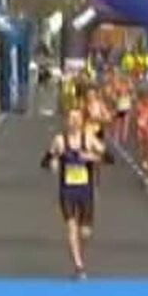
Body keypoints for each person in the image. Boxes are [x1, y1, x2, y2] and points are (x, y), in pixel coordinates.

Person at [42, 108, 104, 279]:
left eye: (78, 118)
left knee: (85, 232)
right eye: (72, 118)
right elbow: (45, 160)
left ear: (82, 121)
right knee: (71, 227)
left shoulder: (88, 139)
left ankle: (79, 257)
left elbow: (108, 157)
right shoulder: (60, 140)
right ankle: (78, 266)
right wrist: (53, 161)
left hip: (85, 191)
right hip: (68, 191)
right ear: (67, 121)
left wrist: (93, 157)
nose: (75, 121)